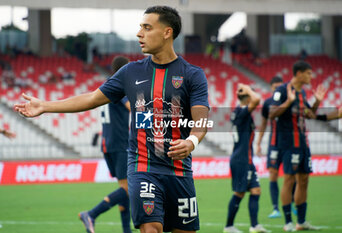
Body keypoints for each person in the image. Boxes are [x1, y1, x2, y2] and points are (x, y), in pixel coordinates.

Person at [15, 5, 209, 233]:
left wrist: (192, 141)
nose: (139, 33)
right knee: (150, 228)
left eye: (147, 28)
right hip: (142, 167)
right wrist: (45, 106)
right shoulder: (130, 72)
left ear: (167, 32)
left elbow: (202, 120)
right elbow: (91, 98)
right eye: (140, 27)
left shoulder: (193, 74)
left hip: (179, 171)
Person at [269, 61, 326, 231]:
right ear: (299, 73)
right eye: (308, 73)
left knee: (304, 179)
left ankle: (301, 222)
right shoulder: (282, 90)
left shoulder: (303, 93)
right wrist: (288, 102)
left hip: (303, 142)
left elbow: (309, 114)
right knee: (289, 179)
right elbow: (272, 113)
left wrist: (316, 102)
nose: (311, 76)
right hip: (288, 143)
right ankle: (288, 222)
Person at [79, 56, 132, 233]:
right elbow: (132, 107)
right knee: (128, 188)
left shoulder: (107, 85)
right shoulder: (121, 86)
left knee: (124, 188)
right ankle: (91, 214)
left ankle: (126, 230)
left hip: (108, 144)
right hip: (120, 143)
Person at [223, 84, 269, 233]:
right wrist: (248, 89)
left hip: (246, 159)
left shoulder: (238, 112)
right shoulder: (242, 112)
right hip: (241, 160)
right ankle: (229, 226)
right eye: (250, 96)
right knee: (239, 193)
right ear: (247, 98)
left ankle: (254, 226)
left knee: (256, 190)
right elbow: (257, 100)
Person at [256, 76, 294, 219]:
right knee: (273, 174)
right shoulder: (267, 103)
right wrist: (259, 142)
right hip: (274, 144)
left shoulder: (290, 101)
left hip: (289, 143)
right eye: (275, 86)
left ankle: (292, 203)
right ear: (271, 87)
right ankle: (275, 208)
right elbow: (264, 123)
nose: (277, 89)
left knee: (291, 176)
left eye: (280, 86)